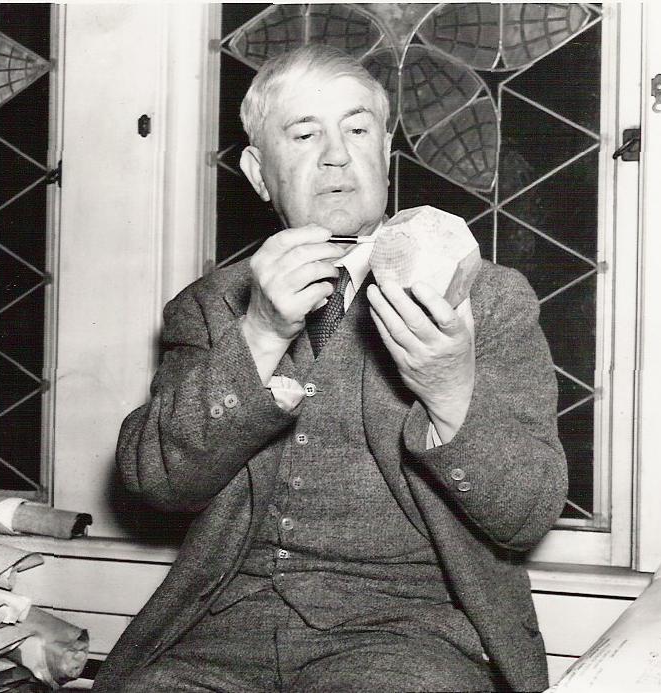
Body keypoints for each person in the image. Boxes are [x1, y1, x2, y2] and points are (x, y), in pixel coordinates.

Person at [94, 44, 567, 693]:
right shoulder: (210, 307)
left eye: (357, 128)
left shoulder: (486, 299)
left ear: (384, 153)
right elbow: (155, 481)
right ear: (259, 172)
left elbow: (528, 512)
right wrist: (259, 333)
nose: (337, 154)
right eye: (305, 132)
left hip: (409, 637)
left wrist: (451, 391)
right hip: (222, 634)